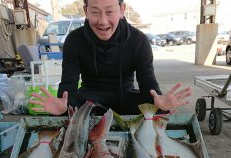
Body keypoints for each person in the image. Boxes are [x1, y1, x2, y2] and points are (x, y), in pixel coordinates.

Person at [29, 0, 192, 115]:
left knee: (154, 109)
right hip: (88, 98)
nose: (102, 21)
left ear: (122, 9)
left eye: (109, 11)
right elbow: (68, 85)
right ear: (86, 11)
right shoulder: (74, 40)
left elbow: (147, 82)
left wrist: (160, 100)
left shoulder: (138, 41)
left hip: (126, 96)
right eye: (95, 12)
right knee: (65, 110)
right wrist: (62, 105)